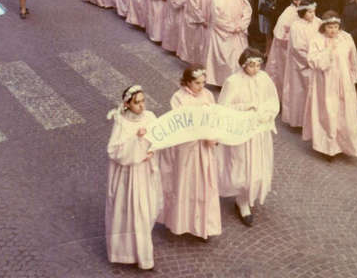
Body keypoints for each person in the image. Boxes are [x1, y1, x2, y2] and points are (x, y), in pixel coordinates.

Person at [217, 48, 279, 226]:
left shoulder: (264, 79)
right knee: (242, 164)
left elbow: (272, 101)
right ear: (244, 64)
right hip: (242, 131)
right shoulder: (233, 82)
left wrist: (267, 114)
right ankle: (242, 200)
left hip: (259, 129)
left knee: (258, 163)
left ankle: (250, 193)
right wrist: (245, 108)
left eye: (259, 64)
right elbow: (224, 108)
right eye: (252, 65)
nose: (256, 68)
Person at [159, 66, 221, 240]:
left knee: (204, 183)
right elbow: (181, 122)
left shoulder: (208, 96)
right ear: (187, 82)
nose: (201, 87)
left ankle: (203, 225)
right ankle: (181, 222)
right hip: (187, 148)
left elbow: (215, 118)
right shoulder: (178, 98)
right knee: (185, 182)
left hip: (204, 148)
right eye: (197, 83)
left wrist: (213, 135)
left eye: (203, 83)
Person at [105, 85, 162, 271]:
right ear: (127, 104)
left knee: (147, 209)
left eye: (143, 101)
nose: (141, 106)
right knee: (133, 212)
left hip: (145, 172)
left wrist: (152, 150)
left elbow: (160, 137)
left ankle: (142, 252)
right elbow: (114, 150)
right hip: (129, 176)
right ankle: (137, 255)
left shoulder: (150, 117)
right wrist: (136, 141)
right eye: (137, 103)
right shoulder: (122, 122)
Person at [303, 11, 357, 157]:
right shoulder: (317, 40)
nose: (333, 30)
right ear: (324, 27)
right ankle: (328, 147)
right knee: (328, 112)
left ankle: (342, 144)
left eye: (335, 27)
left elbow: (353, 60)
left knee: (343, 112)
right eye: (329, 27)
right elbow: (313, 60)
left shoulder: (346, 38)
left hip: (343, 81)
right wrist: (328, 51)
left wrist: (353, 78)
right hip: (325, 82)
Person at [206, 0, 252, 87]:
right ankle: (223, 82)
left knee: (239, 57)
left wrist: (241, 25)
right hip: (223, 34)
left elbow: (247, 11)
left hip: (239, 32)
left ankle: (240, 81)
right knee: (226, 59)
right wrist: (231, 27)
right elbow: (217, 18)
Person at [281, 0, 321, 127]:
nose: (312, 15)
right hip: (301, 63)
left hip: (317, 62)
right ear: (302, 12)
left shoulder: (318, 23)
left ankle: (313, 121)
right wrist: (310, 59)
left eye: (313, 11)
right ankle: (298, 121)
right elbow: (297, 47)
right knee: (300, 91)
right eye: (309, 12)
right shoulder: (296, 26)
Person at [265, 0, 307, 99]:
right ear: (294, 0)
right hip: (284, 50)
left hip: (296, 50)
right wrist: (293, 39)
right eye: (299, 0)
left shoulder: (303, 12)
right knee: (283, 75)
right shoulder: (289, 12)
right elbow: (279, 33)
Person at [177, 0, 216, 65]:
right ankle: (194, 62)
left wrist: (211, 17)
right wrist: (202, 19)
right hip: (195, 20)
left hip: (208, 19)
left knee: (206, 42)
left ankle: (205, 62)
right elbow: (193, 6)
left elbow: (215, 2)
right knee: (195, 42)